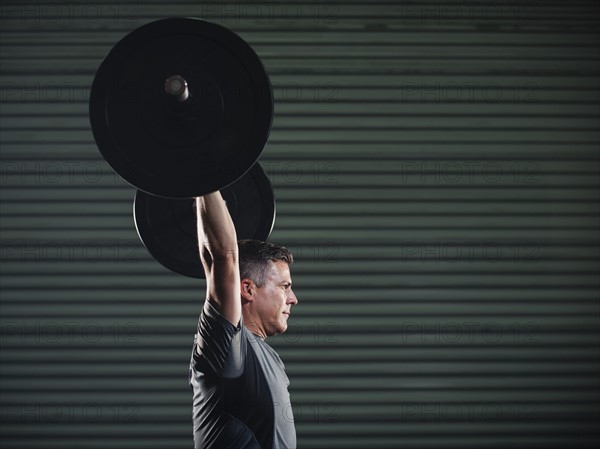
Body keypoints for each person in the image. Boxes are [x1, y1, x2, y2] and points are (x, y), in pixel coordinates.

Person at [189, 191, 299, 449]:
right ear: (248, 289)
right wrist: (204, 180)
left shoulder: (269, 357)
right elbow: (221, 256)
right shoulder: (229, 347)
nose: (293, 298)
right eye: (285, 286)